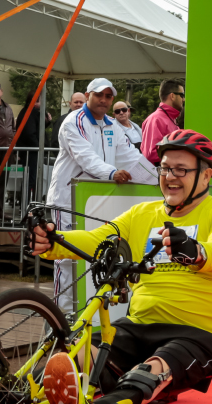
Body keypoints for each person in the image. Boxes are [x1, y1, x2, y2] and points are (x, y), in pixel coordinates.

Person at [29, 130, 212, 404]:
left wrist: (196, 251)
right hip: (139, 325)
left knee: (147, 375)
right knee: (78, 358)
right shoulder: (142, 214)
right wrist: (55, 241)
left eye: (181, 170)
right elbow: (99, 239)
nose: (170, 177)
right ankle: (8, 395)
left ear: (206, 175)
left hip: (198, 332)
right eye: (165, 168)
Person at [46, 77, 155, 310]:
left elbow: (133, 158)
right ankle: (61, 319)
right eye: (99, 95)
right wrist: (112, 172)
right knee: (66, 259)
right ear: (88, 96)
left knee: (97, 258)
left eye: (108, 96)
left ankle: (88, 319)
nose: (103, 100)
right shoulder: (72, 122)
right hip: (67, 200)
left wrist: (160, 179)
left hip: (96, 202)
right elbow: (85, 158)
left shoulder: (112, 125)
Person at [140, 79, 185, 164]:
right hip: (159, 175)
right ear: (172, 96)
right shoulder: (156, 119)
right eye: (182, 95)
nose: (184, 99)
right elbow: (150, 154)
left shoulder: (170, 118)